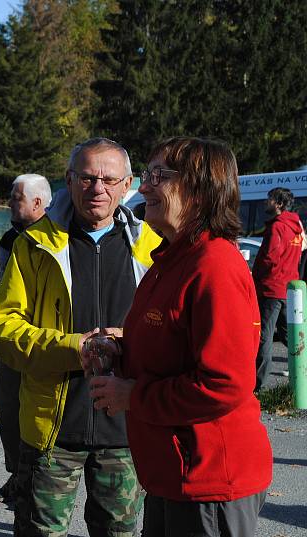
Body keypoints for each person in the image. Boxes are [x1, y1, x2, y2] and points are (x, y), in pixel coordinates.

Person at [89, 136, 273, 537]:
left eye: (159, 175)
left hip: (208, 479)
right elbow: (172, 345)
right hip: (174, 475)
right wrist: (120, 350)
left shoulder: (214, 267)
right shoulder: (171, 259)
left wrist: (132, 395)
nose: (144, 187)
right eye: (147, 173)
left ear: (200, 189)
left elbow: (224, 384)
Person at [0, 137, 160, 536]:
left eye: (108, 179)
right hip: (53, 430)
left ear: (127, 184)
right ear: (69, 179)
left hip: (123, 430)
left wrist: (131, 339)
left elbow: (168, 328)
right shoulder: (33, 246)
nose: (97, 188)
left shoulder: (151, 249)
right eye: (86, 178)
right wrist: (73, 347)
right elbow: (2, 328)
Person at [0, 174, 51, 504]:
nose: (11, 203)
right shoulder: (8, 239)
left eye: (17, 198)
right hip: (12, 341)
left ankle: (38, 481)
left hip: (44, 342)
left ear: (37, 203)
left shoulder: (56, 238)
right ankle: (17, 474)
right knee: (7, 407)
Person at [252, 187, 303, 390]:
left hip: (272, 289)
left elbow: (269, 258)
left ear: (279, 204)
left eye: (269, 199)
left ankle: (258, 385)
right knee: (287, 333)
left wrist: (256, 277)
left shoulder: (277, 228)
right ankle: (302, 369)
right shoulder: (296, 226)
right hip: (288, 288)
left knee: (264, 336)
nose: (266, 202)